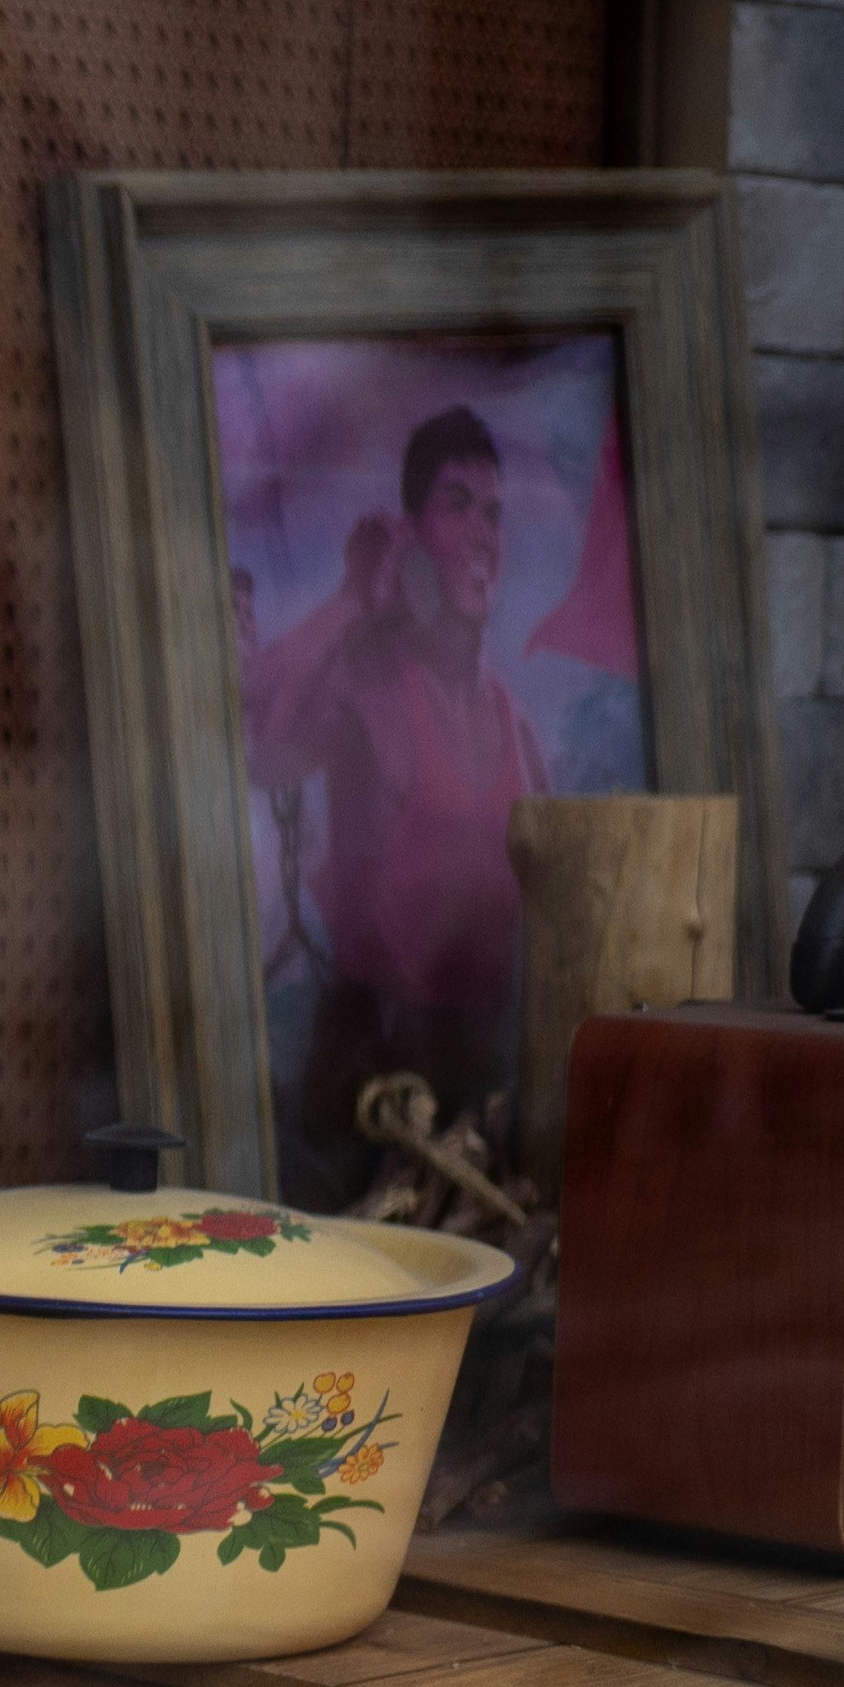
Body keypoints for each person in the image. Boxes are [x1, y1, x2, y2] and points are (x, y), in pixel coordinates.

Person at [240, 402, 545, 1187]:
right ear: (413, 532)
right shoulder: (371, 689)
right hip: (370, 1092)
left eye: (493, 514)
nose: (481, 533)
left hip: (479, 1089)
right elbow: (256, 742)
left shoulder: (515, 725)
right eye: (457, 505)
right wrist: (354, 595)